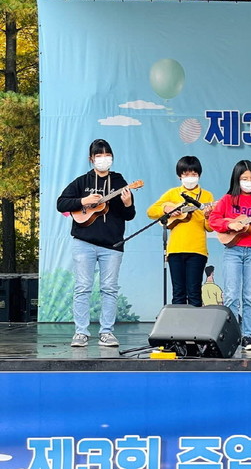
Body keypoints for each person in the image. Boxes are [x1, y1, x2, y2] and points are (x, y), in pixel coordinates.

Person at [56, 139, 135, 347]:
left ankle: (106, 332)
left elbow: (129, 215)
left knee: (109, 288)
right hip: (84, 243)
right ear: (91, 159)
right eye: (99, 155)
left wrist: (128, 203)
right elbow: (61, 203)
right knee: (83, 287)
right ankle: (81, 332)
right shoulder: (82, 181)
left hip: (112, 245)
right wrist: (82, 201)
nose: (103, 159)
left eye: (107, 155)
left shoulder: (118, 181)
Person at [209, 160, 251, 352]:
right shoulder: (227, 199)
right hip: (233, 250)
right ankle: (231, 335)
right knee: (231, 295)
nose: (249, 181)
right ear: (236, 179)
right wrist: (229, 224)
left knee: (250, 296)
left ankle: (248, 335)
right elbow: (214, 220)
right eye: (244, 178)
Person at [146, 156, 214, 307]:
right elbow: (151, 211)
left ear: (199, 175)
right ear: (179, 176)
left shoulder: (207, 196)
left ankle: (195, 322)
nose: (190, 177)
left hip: (197, 250)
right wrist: (166, 208)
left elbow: (209, 227)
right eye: (186, 174)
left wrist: (208, 216)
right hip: (175, 250)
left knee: (194, 292)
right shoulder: (173, 193)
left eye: (194, 174)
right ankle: (177, 322)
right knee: (178, 293)